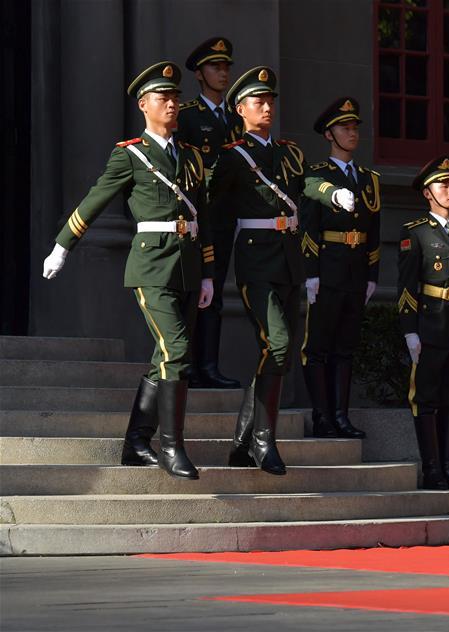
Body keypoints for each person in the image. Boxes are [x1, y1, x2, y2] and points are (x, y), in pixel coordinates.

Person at [41, 61, 213, 480]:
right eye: (162, 97)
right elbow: (95, 199)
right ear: (143, 105)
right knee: (176, 349)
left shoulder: (190, 156)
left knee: (165, 357)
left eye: (175, 97)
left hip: (188, 265)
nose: (171, 104)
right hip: (152, 265)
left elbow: (202, 215)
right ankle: (171, 447)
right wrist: (62, 246)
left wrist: (208, 271)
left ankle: (136, 442)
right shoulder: (130, 154)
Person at [209, 65, 356, 475]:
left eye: (270, 101)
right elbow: (212, 208)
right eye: (258, 101)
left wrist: (332, 193)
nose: (267, 107)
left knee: (279, 352)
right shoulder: (232, 157)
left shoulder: (289, 152)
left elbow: (307, 182)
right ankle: (263, 440)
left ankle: (242, 442)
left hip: (290, 260)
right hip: (255, 262)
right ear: (241, 109)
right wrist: (208, 266)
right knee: (276, 344)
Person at [396, 156, 449, 490]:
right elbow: (406, 286)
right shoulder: (415, 232)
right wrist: (410, 330)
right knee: (427, 398)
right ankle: (432, 470)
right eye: (443, 185)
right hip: (430, 325)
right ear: (427, 192)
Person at [299, 97, 380, 440]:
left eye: (355, 127)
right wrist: (311, 272)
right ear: (329, 134)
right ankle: (322, 417)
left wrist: (372, 275)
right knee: (318, 346)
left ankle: (341, 417)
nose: (352, 133)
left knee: (345, 348)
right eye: (345, 128)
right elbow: (308, 228)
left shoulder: (369, 179)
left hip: (355, 272)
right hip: (328, 268)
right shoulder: (317, 175)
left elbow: (374, 230)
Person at [177, 36, 243, 389]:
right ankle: (185, 364)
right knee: (190, 290)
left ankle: (209, 365)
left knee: (213, 291)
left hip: (224, 219)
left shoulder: (236, 120)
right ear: (199, 74)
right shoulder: (187, 115)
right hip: (194, 217)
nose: (223, 73)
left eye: (226, 67)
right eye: (215, 67)